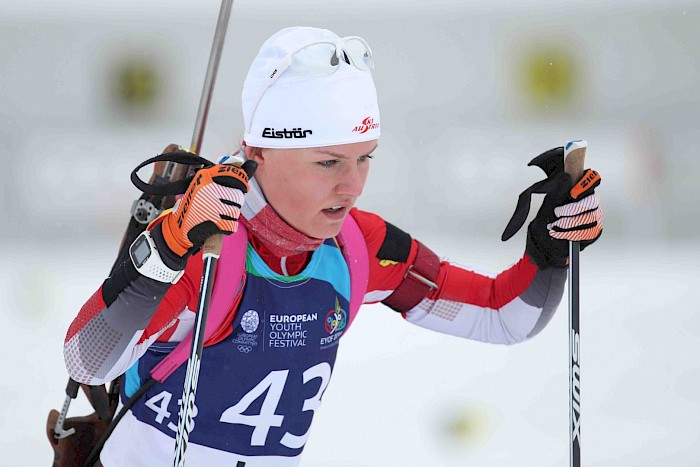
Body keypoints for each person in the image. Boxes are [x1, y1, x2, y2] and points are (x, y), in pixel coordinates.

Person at [64, 27, 603, 466]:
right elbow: (87, 360)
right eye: (328, 162)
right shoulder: (209, 247)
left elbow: (504, 318)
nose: (352, 185)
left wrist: (550, 249)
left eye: (365, 157)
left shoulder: (357, 247)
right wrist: (166, 246)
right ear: (259, 153)